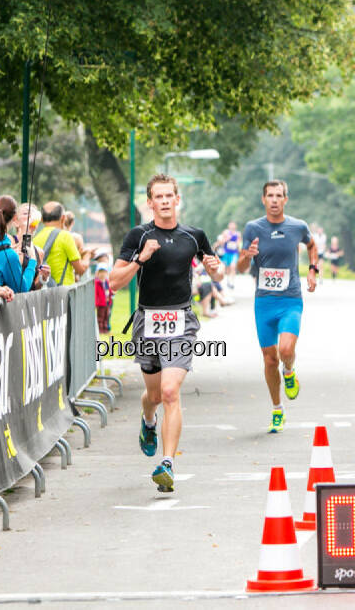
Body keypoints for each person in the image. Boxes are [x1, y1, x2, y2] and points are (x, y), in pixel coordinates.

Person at [109, 173, 223, 492]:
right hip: (147, 321)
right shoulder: (138, 235)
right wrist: (140, 259)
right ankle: (148, 421)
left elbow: (217, 270)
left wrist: (216, 269)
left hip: (181, 322)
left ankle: (168, 463)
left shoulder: (194, 235)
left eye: (168, 196)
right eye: (157, 197)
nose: (163, 202)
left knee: (171, 391)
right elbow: (114, 281)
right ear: (150, 203)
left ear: (177, 199)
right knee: (155, 395)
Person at [237, 180, 318, 433]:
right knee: (270, 359)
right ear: (263, 200)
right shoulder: (253, 228)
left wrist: (312, 270)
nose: (274, 200)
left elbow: (312, 245)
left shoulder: (297, 226)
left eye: (279, 195)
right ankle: (277, 409)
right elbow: (240, 268)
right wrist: (247, 256)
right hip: (264, 302)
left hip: (290, 299)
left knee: (285, 349)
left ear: (286, 199)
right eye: (270, 195)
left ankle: (290, 370)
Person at [33, 202, 92, 286]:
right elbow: (80, 270)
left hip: (43, 292)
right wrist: (87, 256)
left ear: (41, 219)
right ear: (63, 218)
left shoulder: (35, 239)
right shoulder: (65, 236)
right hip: (64, 292)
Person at [219, 221, 241, 289]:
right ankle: (228, 280)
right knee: (227, 268)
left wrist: (237, 244)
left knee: (233, 266)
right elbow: (221, 242)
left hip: (234, 252)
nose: (232, 226)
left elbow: (239, 243)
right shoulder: (226, 232)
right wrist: (226, 239)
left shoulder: (238, 233)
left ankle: (232, 282)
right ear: (229, 226)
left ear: (235, 226)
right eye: (231, 225)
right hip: (226, 252)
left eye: (233, 225)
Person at [94, 264, 113, 334]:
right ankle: (100, 329)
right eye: (101, 272)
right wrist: (96, 303)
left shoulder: (107, 282)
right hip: (101, 303)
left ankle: (106, 329)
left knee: (106, 316)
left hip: (107, 302)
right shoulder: (96, 283)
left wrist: (111, 294)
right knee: (100, 317)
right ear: (97, 273)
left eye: (104, 272)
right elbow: (95, 294)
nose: (103, 274)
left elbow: (110, 290)